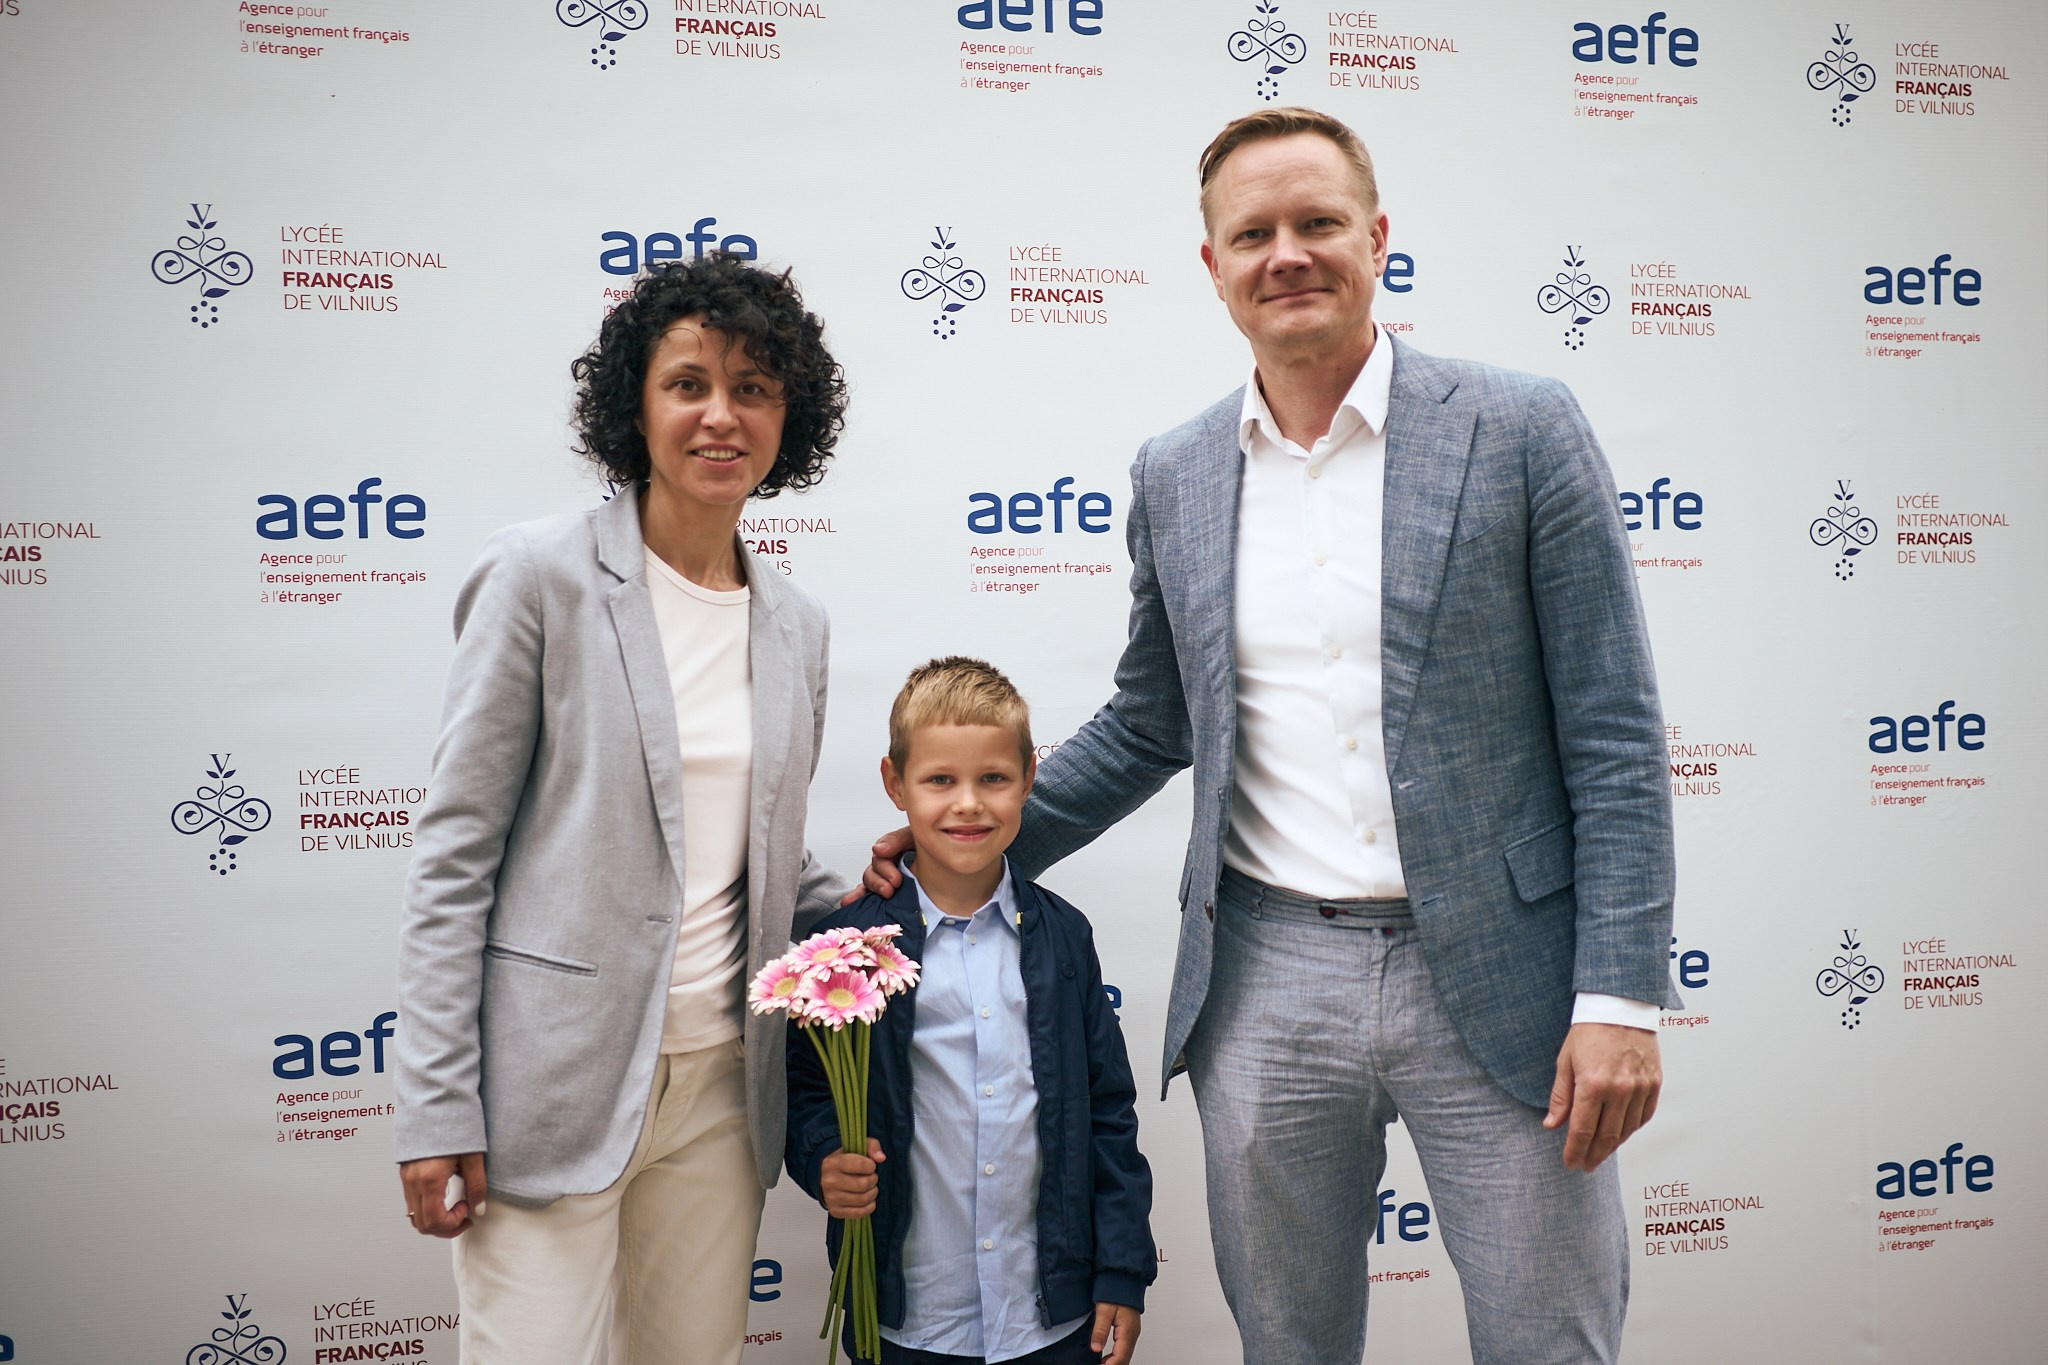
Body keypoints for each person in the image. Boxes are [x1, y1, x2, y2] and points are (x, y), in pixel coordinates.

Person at [860, 108, 1677, 1364]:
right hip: (1265, 976)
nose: (1285, 253)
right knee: (1286, 1344)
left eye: (1315, 223)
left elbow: (1612, 733)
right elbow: (1152, 717)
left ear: (1376, 238)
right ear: (1211, 265)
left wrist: (1618, 993)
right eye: (1252, 233)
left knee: (1548, 1340)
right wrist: (963, 847)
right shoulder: (1174, 470)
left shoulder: (1519, 427)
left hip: (1509, 982)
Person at [394, 254, 850, 1365]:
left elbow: (759, 866)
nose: (719, 415)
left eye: (752, 388)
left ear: (789, 418)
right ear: (632, 407)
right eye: (686, 383)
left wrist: (890, 884)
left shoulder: (798, 626)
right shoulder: (536, 577)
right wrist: (436, 1108)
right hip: (550, 1091)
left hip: (719, 1094)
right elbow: (456, 856)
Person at [791, 658, 1154, 1365]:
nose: (967, 803)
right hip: (906, 1317)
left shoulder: (1065, 938)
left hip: (1050, 1317)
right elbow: (807, 1087)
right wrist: (822, 1157)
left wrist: (1121, 1265)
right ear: (896, 783)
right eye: (939, 780)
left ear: (1028, 779)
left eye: (993, 778)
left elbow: (1107, 1109)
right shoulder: (855, 948)